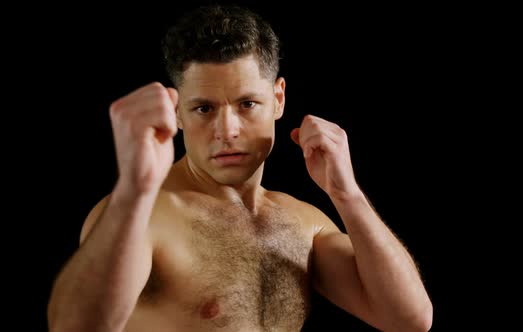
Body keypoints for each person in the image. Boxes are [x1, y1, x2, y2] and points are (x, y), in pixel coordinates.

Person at [47, 4, 433, 332]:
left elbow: (409, 318)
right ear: (177, 110)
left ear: (278, 99)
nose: (227, 131)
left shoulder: (303, 223)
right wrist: (133, 190)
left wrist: (346, 194)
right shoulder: (145, 216)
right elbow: (72, 327)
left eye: (247, 104)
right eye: (204, 108)